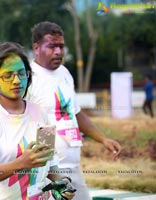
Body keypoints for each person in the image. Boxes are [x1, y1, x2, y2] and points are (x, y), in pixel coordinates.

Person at [26, 21, 122, 200]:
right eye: (52, 46)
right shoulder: (28, 77)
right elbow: (23, 121)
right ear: (36, 48)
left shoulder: (65, 73)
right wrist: (45, 165)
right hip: (48, 168)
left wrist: (103, 139)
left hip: (73, 165)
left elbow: (75, 113)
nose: (58, 52)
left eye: (61, 46)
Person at [0, 42, 75, 200]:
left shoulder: (40, 113)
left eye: (21, 73)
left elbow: (50, 164)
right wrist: (22, 162)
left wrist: (62, 184)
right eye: (8, 75)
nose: (16, 80)